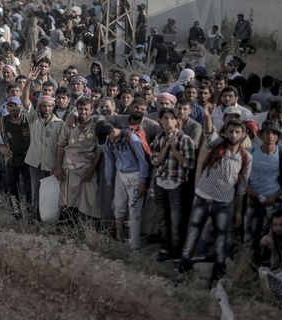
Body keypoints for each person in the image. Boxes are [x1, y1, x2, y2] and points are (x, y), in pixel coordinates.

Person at [179, 104, 252, 280]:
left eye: (237, 132)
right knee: (193, 234)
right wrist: (208, 116)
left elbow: (241, 186)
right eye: (231, 131)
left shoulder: (246, 157)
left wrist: (238, 212)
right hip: (203, 197)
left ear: (243, 134)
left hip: (224, 202)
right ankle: (183, 269)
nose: (233, 135)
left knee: (221, 239)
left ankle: (218, 275)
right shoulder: (219, 145)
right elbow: (209, 136)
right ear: (226, 132)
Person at [151, 108, 196, 260]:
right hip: (160, 183)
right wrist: (168, 146)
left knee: (176, 221)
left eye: (171, 118)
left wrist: (175, 149)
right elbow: (156, 161)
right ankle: (165, 249)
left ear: (177, 121)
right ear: (161, 121)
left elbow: (189, 164)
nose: (168, 121)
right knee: (163, 219)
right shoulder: (158, 138)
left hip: (177, 185)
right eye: (165, 118)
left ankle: (176, 253)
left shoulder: (185, 139)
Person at [244, 120, 282, 254]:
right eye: (267, 132)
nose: (270, 136)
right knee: (249, 236)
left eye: (273, 133)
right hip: (253, 200)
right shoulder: (251, 152)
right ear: (261, 135)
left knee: (270, 236)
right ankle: (245, 267)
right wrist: (248, 190)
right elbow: (241, 175)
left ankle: (267, 264)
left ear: (277, 137)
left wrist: (275, 196)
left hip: (273, 202)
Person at [23, 67, 64, 221]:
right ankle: (34, 220)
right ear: (39, 106)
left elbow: (61, 146)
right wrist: (28, 81)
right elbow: (25, 100)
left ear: (53, 107)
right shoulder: (34, 119)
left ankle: (49, 221)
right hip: (35, 162)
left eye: (49, 106)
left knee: (50, 195)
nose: (46, 108)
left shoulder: (60, 124)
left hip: (51, 164)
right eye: (43, 106)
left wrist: (58, 165)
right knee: (36, 193)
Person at [102, 121, 150, 249]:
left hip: (135, 176)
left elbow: (143, 161)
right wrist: (109, 181)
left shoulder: (132, 139)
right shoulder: (108, 142)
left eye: (108, 136)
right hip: (120, 175)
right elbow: (109, 161)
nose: (108, 139)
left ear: (112, 131)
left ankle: (134, 245)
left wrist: (142, 181)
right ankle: (120, 236)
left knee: (135, 211)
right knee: (118, 207)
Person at [54, 97, 103, 220]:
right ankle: (67, 225)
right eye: (80, 109)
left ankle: (86, 227)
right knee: (67, 199)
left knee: (89, 200)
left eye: (86, 109)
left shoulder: (96, 126)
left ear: (92, 110)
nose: (83, 112)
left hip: (87, 167)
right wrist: (58, 168)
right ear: (77, 109)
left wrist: (91, 171)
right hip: (69, 167)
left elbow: (98, 151)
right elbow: (61, 145)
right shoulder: (70, 124)